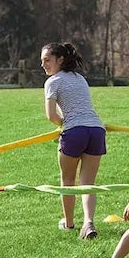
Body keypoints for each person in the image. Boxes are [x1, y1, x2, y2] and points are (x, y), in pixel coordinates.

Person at [40, 42, 106, 239]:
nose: (43, 65)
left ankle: (69, 224)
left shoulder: (53, 82)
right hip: (96, 130)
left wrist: (63, 125)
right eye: (42, 61)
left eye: (47, 60)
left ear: (60, 59)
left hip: (74, 132)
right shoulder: (80, 79)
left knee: (68, 180)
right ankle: (89, 222)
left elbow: (51, 116)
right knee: (88, 182)